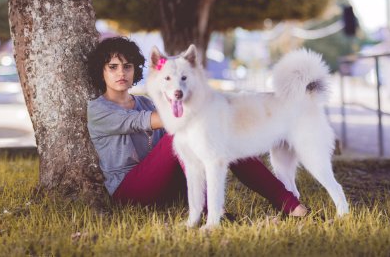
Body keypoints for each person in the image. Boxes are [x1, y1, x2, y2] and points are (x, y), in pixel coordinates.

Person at [86, 37, 308, 217]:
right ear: (102, 71)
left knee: (223, 136)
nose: (121, 73)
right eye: (112, 67)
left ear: (135, 69)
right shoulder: (98, 110)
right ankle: (209, 211)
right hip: (130, 191)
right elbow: (150, 122)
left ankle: (290, 204)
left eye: (127, 66)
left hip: (166, 185)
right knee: (181, 134)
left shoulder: (146, 103)